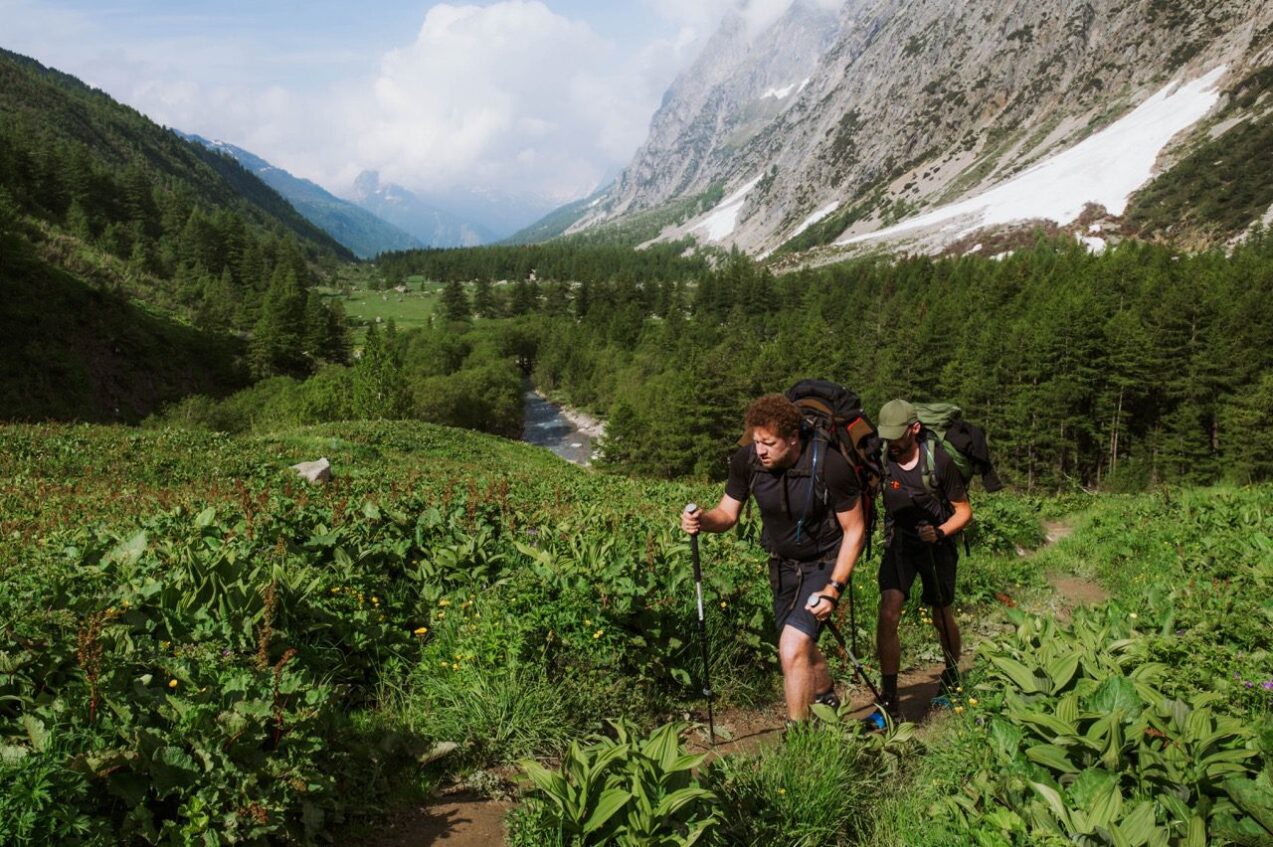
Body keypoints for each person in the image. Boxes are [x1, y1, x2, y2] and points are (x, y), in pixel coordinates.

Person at [680, 393, 866, 723]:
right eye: (756, 442)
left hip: (825, 562)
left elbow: (854, 531)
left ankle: (799, 739)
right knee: (797, 643)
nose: (760, 451)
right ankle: (825, 695)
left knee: (792, 647)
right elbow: (727, 513)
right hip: (781, 564)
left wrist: (834, 588)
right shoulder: (747, 461)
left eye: (769, 443)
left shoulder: (829, 465)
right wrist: (703, 520)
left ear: (793, 439)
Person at [873, 398, 973, 721]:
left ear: (914, 429)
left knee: (941, 614)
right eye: (885, 434)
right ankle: (890, 700)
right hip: (900, 543)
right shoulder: (882, 458)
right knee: (888, 613)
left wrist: (941, 532)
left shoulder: (938, 461)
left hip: (937, 546)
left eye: (896, 434)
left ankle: (951, 675)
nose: (889, 441)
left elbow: (964, 511)